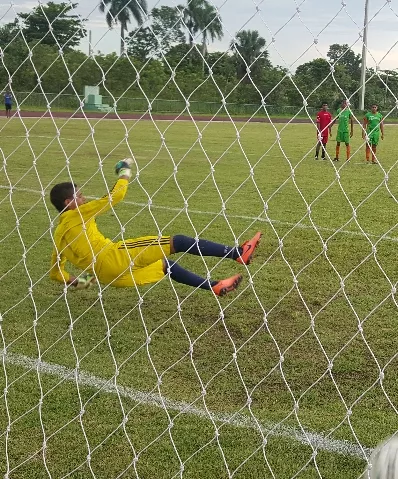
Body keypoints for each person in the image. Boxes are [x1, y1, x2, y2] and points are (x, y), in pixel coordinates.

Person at [49, 159, 262, 296]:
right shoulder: (77, 213)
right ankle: (238, 253)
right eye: (79, 195)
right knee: (177, 242)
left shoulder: (58, 235)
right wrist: (124, 171)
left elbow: (57, 274)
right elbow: (116, 196)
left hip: (108, 276)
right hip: (114, 257)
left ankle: (214, 286)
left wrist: (89, 280)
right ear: (68, 202)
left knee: (165, 265)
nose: (84, 198)